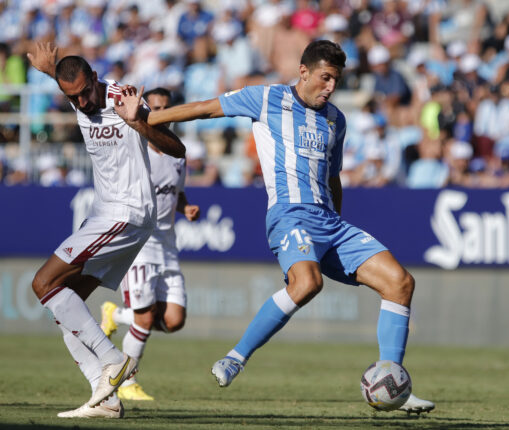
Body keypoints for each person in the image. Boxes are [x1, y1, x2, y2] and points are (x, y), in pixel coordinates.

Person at [118, 39, 435, 414]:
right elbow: (205, 109)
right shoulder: (265, 99)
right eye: (325, 78)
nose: (331, 87)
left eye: (336, 81)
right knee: (307, 283)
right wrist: (144, 118)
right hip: (289, 215)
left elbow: (333, 178)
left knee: (400, 283)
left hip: (330, 221)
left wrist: (336, 222)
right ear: (303, 72)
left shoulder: (337, 119)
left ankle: (392, 382)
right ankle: (236, 358)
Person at [26, 42, 185, 419]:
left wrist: (138, 122)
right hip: (110, 212)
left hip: (126, 212)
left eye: (84, 93)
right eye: (72, 97)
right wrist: (51, 70)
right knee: (65, 306)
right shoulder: (78, 95)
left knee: (42, 283)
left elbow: (176, 148)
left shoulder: (124, 98)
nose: (81, 103)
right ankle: (106, 398)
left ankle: (115, 360)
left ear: (96, 79)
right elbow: (72, 85)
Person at [99, 87, 201, 401]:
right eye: (153, 108)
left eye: (165, 109)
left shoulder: (175, 154)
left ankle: (115, 315)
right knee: (144, 317)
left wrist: (185, 207)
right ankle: (125, 381)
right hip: (141, 243)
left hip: (168, 245)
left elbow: (175, 192)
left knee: (174, 320)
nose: (159, 114)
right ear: (144, 109)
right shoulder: (135, 150)